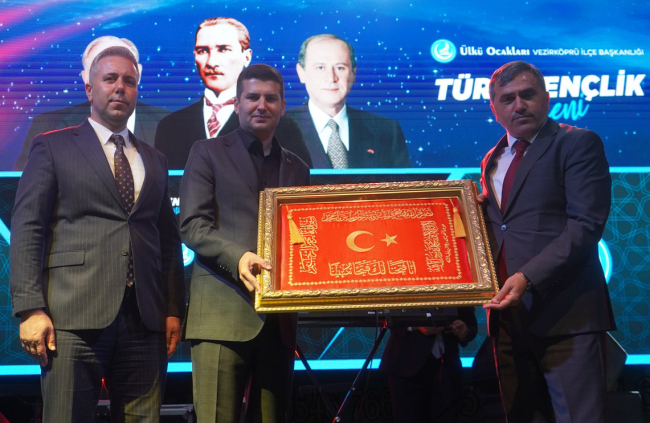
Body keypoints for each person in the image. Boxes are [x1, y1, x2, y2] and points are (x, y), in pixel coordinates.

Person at [10, 46, 186, 422]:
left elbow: (168, 241)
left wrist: (173, 309)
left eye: (129, 81)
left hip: (145, 321)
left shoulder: (155, 159)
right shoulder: (52, 146)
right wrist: (30, 309)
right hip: (71, 319)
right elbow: (27, 229)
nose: (120, 87)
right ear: (90, 89)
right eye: (110, 79)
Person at [480, 61, 615, 422]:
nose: (519, 105)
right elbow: (503, 227)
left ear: (547, 98)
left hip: (567, 314)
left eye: (528, 94)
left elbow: (585, 225)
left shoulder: (577, 143)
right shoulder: (492, 159)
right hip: (507, 320)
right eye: (507, 99)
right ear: (494, 109)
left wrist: (526, 277)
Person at [180, 64, 310, 422]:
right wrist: (237, 256)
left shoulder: (298, 167)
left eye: (271, 99)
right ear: (237, 104)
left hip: (279, 324)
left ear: (283, 107)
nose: (261, 105)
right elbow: (192, 224)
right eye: (253, 97)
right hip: (220, 317)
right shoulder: (206, 152)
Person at [155, 17, 311, 169]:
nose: (211, 62)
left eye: (223, 49)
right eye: (202, 51)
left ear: (246, 57)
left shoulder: (282, 126)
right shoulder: (171, 126)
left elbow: (303, 181)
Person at [14, 35, 169, 170]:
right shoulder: (47, 127)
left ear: (138, 74)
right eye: (108, 76)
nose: (118, 86)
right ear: (86, 79)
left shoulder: (170, 124)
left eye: (126, 73)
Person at [285, 34, 411, 169]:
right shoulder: (278, 129)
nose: (331, 78)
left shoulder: (386, 130)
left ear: (353, 73)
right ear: (301, 73)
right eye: (320, 67)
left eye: (340, 68)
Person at [381, 308, 477, 423]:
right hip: (406, 366)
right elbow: (385, 314)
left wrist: (464, 331)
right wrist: (414, 326)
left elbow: (471, 324)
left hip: (448, 370)